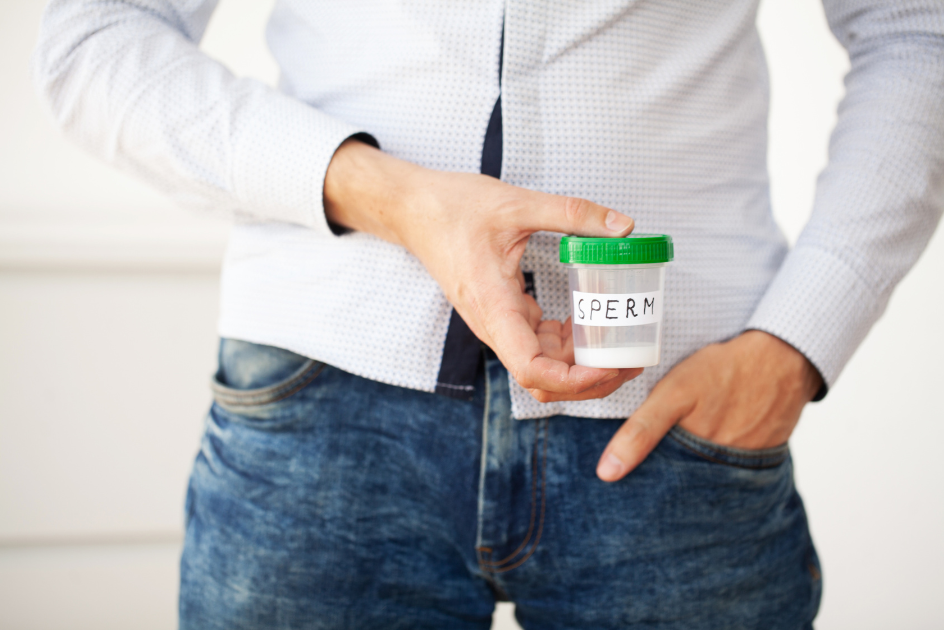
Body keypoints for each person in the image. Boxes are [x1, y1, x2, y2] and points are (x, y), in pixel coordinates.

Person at [33, 1, 943, 628]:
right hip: (320, 410)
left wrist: (797, 341)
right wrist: (382, 193)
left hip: (680, 423)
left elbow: (919, 31)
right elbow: (97, 36)